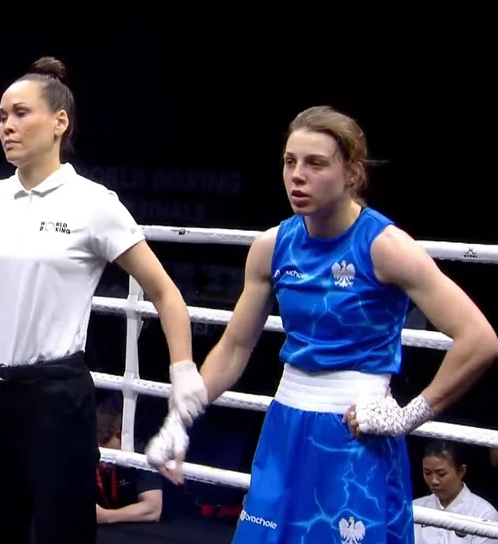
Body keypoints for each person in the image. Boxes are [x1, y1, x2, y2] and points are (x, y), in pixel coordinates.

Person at [146, 105, 498, 543]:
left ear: (352, 174)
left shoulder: (386, 247)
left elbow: (479, 339)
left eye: (315, 163)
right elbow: (235, 347)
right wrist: (179, 419)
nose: (298, 175)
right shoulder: (271, 247)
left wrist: (408, 416)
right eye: (290, 162)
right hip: (286, 427)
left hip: (356, 434)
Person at [0, 56, 204, 544]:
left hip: (55, 397)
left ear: (60, 122)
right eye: (2, 116)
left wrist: (183, 371)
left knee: (65, 533)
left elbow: (164, 291)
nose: (7, 126)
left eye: (21, 113)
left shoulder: (93, 203)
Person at [94, 394, 163, 525]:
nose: (101, 461)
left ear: (120, 435)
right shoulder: (85, 448)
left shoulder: (139, 452)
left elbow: (153, 508)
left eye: (105, 443)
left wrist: (106, 516)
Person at [414, 440, 498, 543]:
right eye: (427, 473)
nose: (433, 481)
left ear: (461, 471)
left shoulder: (484, 514)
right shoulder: (415, 508)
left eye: (441, 474)